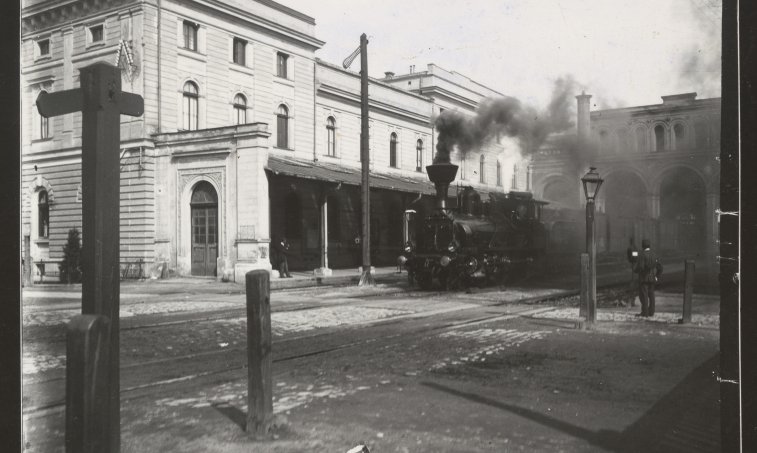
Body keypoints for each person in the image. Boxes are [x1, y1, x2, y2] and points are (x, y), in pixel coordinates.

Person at [633, 238, 663, 317]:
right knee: (651, 295)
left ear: (643, 246)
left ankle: (645, 313)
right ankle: (651, 312)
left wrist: (635, 270)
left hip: (644, 278)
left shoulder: (642, 255)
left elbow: (641, 267)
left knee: (644, 296)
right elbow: (660, 267)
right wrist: (657, 276)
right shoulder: (654, 254)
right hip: (652, 278)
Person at [625, 237, 639, 307]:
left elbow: (629, 256)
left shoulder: (630, 248)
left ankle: (632, 300)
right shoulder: (635, 247)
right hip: (634, 264)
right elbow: (636, 256)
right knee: (633, 279)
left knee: (632, 280)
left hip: (632, 264)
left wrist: (630, 261)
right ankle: (633, 301)